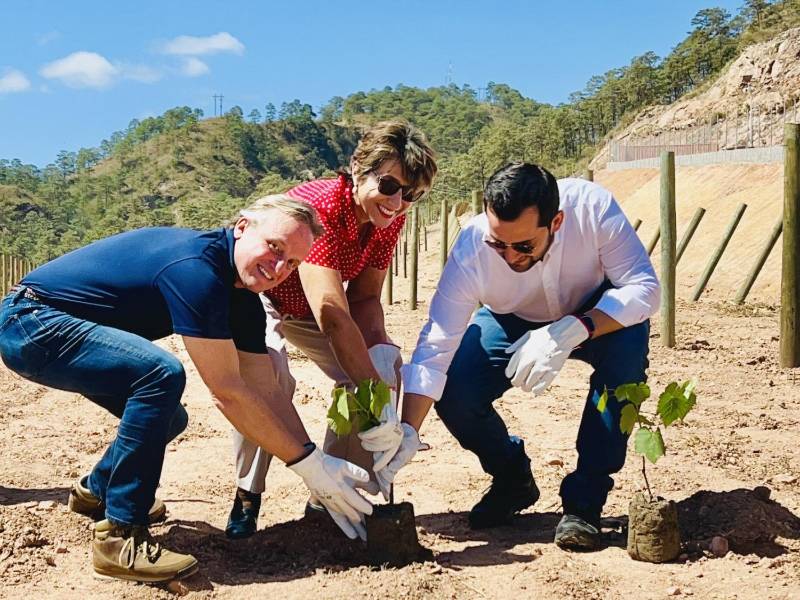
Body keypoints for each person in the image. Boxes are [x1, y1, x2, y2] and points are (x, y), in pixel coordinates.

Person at [0, 195, 374, 583]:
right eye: (275, 248)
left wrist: (315, 460)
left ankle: (97, 490)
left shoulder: (241, 296)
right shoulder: (196, 270)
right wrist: (308, 467)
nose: (279, 268)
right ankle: (119, 536)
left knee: (168, 418)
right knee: (160, 374)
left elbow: (265, 389)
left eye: (292, 262)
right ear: (243, 227)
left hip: (55, 328)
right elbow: (228, 391)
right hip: (32, 322)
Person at [376, 162, 660, 550]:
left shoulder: (592, 208)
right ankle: (513, 480)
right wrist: (407, 431)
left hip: (598, 315)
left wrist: (576, 327)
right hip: (512, 319)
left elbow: (644, 288)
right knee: (457, 387)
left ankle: (584, 504)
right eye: (499, 244)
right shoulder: (472, 247)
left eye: (524, 246)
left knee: (624, 372)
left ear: (556, 222)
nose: (510, 256)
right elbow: (436, 343)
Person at [227, 119, 437, 539]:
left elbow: (363, 299)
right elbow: (332, 313)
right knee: (269, 381)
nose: (397, 203)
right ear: (359, 167)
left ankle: (334, 495)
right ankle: (247, 495)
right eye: (390, 185)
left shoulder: (387, 220)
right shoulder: (321, 208)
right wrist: (373, 396)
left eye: (411, 195)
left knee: (382, 366)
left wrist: (381, 366)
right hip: (262, 295)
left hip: (306, 306)